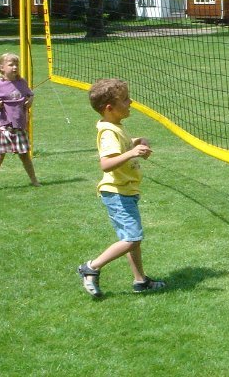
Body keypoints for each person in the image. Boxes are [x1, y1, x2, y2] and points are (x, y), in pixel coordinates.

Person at [77, 78, 166, 297]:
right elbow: (106, 163)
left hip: (125, 191)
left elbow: (121, 146)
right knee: (132, 238)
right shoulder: (108, 132)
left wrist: (135, 142)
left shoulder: (116, 126)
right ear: (110, 108)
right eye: (125, 99)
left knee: (131, 239)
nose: (131, 102)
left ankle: (140, 281)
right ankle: (92, 267)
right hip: (117, 192)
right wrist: (132, 153)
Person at [0, 52, 40, 195]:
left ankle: (34, 181)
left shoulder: (21, 82)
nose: (15, 67)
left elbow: (30, 95)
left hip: (20, 126)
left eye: (16, 64)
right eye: (11, 65)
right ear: (2, 68)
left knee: (25, 156)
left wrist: (30, 101)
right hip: (4, 127)